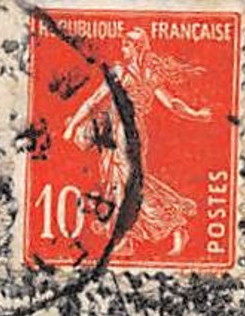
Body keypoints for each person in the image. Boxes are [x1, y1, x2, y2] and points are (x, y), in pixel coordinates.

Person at [63, 28, 214, 258]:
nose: (122, 50)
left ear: (136, 48)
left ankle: (135, 234)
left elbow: (95, 101)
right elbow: (171, 103)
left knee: (123, 182)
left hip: (125, 130)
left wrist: (72, 126)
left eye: (126, 46)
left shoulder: (123, 73)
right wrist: (196, 114)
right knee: (123, 181)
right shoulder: (145, 75)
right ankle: (163, 229)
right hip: (124, 130)